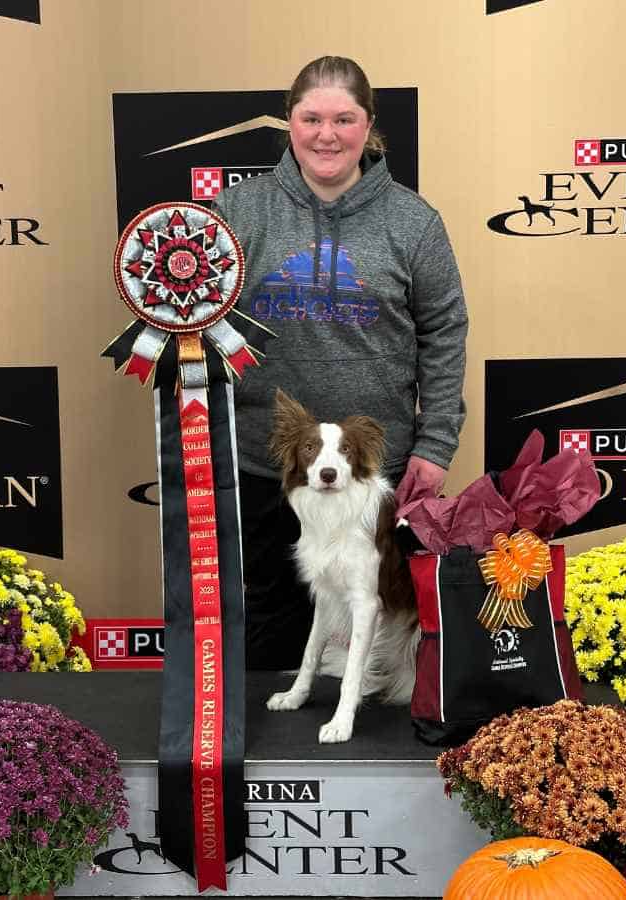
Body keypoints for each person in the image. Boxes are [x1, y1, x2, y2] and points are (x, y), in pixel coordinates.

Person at [214, 55, 468, 670]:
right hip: (264, 464)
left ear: (369, 126)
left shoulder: (415, 223)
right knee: (272, 625)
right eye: (312, 118)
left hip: (375, 471)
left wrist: (434, 449)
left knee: (377, 620)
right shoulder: (236, 212)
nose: (327, 135)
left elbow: (445, 333)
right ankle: (272, 752)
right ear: (289, 123)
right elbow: (195, 328)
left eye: (344, 119)